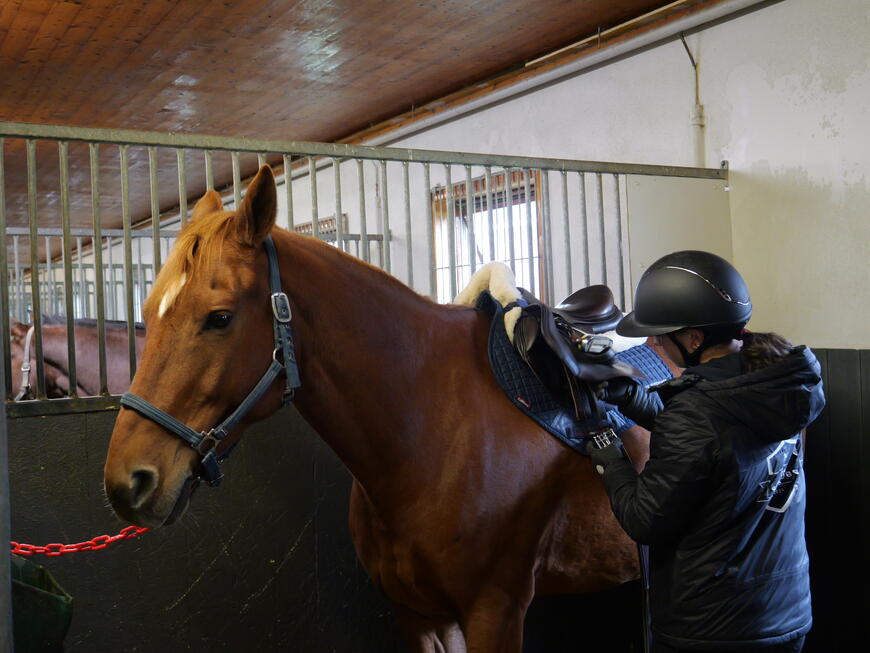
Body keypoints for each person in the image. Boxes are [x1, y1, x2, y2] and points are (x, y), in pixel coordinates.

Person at [589, 250, 825, 652]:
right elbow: (714, 443)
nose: (654, 341)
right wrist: (630, 397)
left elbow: (644, 520)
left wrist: (608, 455)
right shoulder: (778, 385)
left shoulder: (699, 412)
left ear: (694, 339)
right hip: (785, 615)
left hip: (710, 630)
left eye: (661, 334)